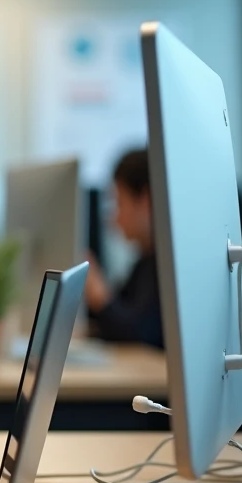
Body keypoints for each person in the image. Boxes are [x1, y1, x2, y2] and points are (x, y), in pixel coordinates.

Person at [85, 148, 163, 348]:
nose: (114, 218)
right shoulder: (144, 262)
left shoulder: (167, 267)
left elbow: (140, 333)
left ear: (145, 200)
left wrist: (99, 296)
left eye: (119, 203)